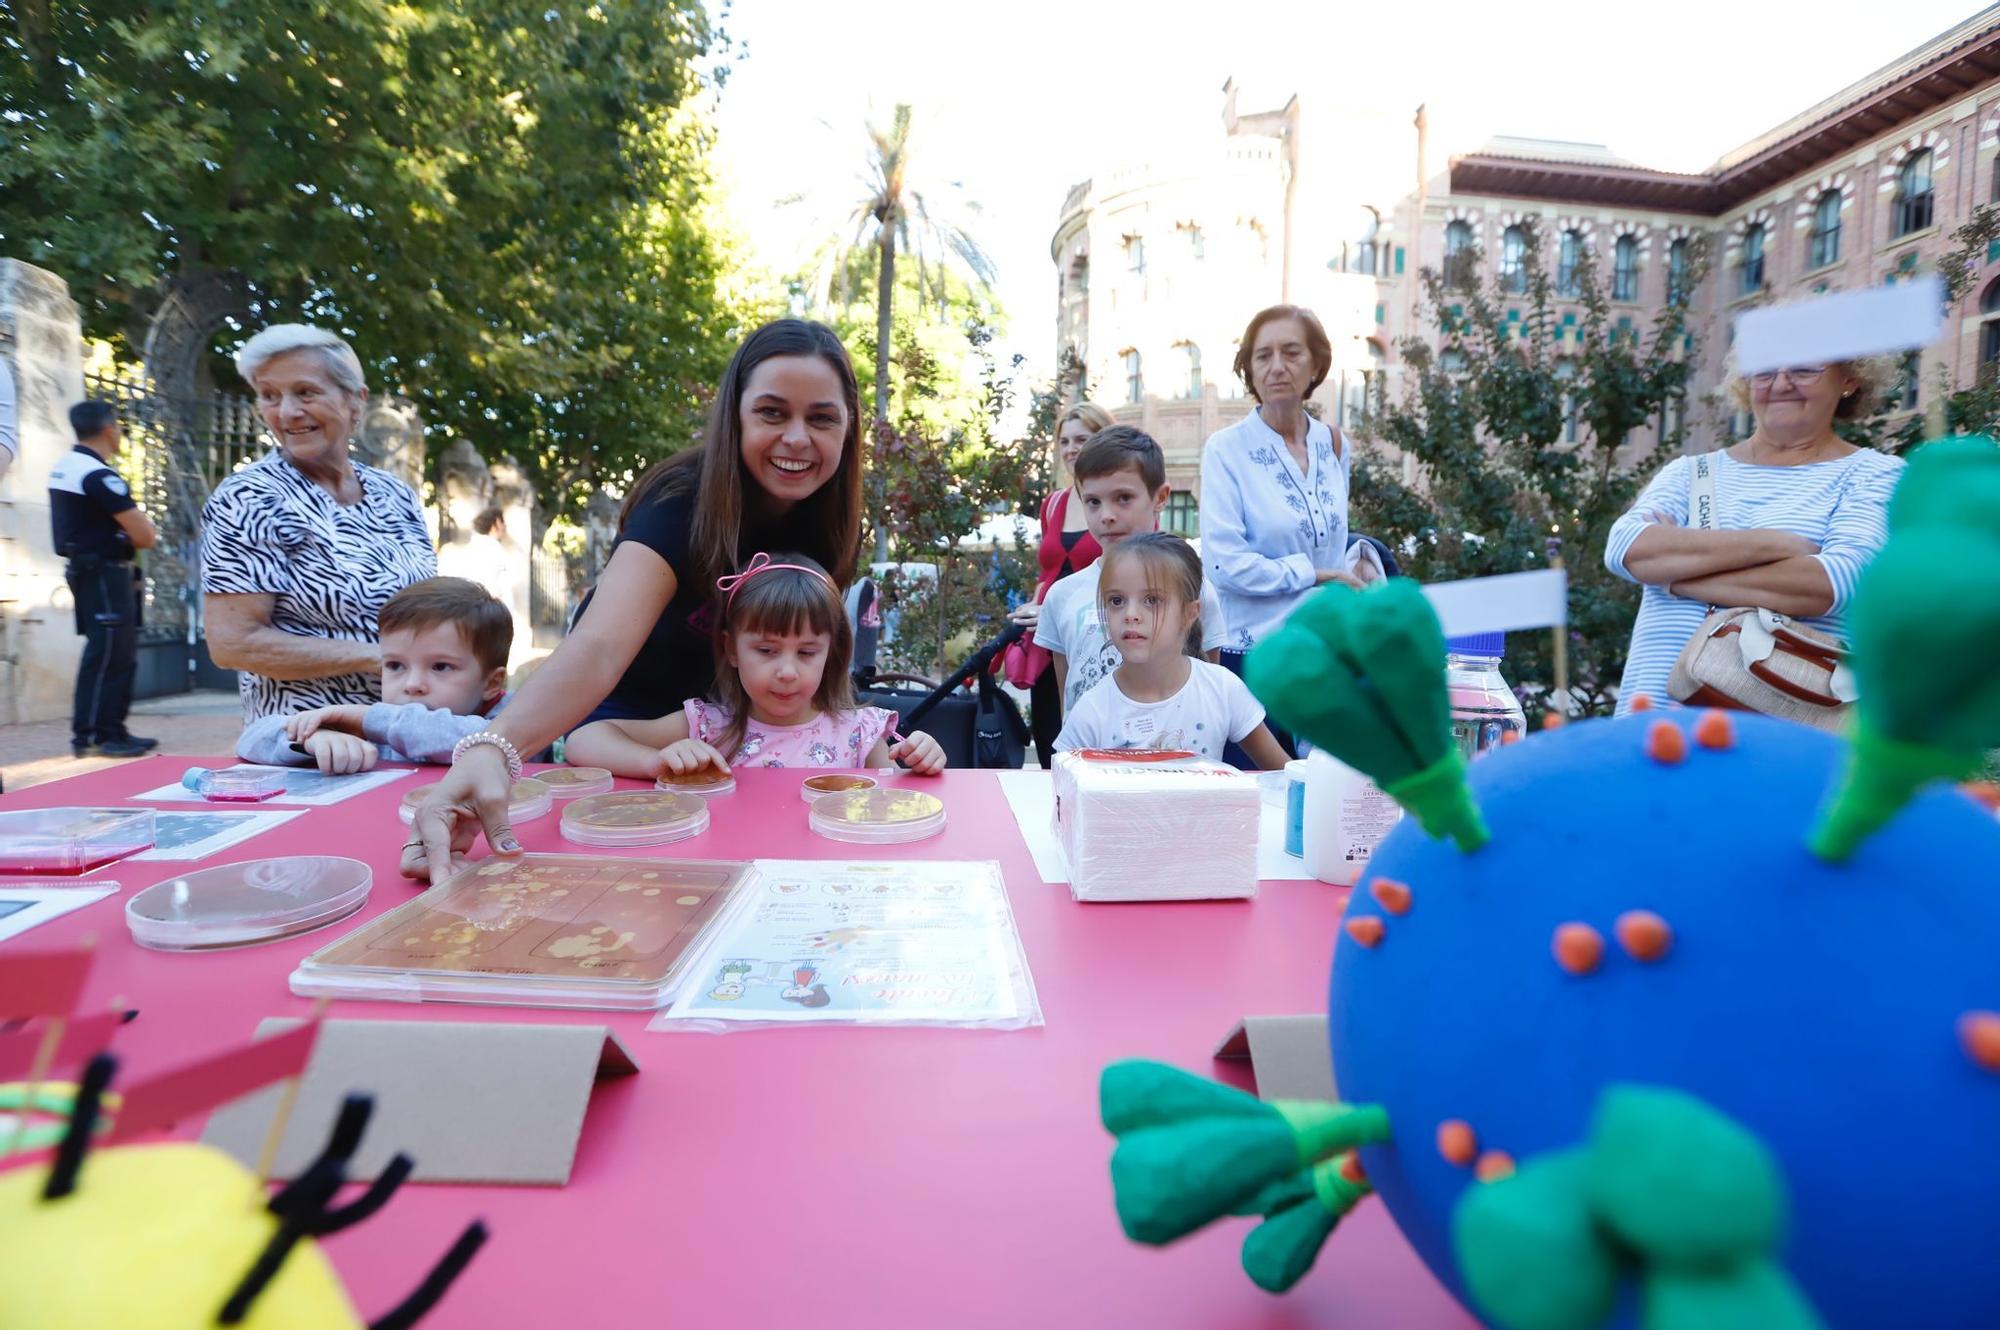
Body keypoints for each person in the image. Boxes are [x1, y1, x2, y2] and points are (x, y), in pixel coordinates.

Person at [404, 319, 863, 880]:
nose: (797, 437)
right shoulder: (679, 505)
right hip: (622, 750)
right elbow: (596, 646)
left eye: (821, 418)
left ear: (848, 428)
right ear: (735, 418)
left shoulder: (829, 525)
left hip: (718, 758)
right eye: (771, 412)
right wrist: (491, 751)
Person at [1605, 358, 1903, 714]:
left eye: (1804, 369)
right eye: (1764, 370)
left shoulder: (1877, 474)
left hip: (1778, 742)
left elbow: (1829, 584)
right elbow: (1627, 549)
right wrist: (1776, 544)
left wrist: (1673, 578)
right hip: (1652, 729)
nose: (1780, 384)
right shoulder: (1690, 472)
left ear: (1851, 380)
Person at [200, 325, 435, 722]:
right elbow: (233, 644)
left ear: (355, 401)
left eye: (305, 392)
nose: (287, 412)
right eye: (269, 396)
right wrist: (385, 660)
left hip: (407, 723)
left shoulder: (393, 492)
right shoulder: (249, 498)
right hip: (307, 738)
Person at [564, 553, 945, 777]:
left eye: (807, 652)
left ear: (831, 652)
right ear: (731, 649)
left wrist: (921, 764)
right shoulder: (708, 727)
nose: (787, 671)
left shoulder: (859, 734)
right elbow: (581, 742)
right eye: (766, 650)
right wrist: (654, 761)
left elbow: (894, 809)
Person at [1198, 307, 1363, 732]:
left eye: (1291, 353)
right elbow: (1224, 566)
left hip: (1324, 655)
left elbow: (1334, 543)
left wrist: (1354, 570)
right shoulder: (1225, 450)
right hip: (1253, 660)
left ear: (1316, 364)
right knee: (1257, 792)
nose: (1276, 368)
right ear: (1249, 369)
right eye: (1262, 356)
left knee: (1324, 790)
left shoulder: (1335, 444)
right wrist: (1316, 574)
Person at [1036, 427, 1229, 716]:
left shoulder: (1194, 588)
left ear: (1160, 497)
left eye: (1123, 497)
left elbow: (1210, 687)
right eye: (1093, 502)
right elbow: (1069, 698)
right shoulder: (1063, 595)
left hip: (1176, 754)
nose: (1107, 515)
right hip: (1090, 757)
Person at [1054, 533, 1289, 768]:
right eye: (1117, 601)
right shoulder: (1093, 710)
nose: (1130, 614)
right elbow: (1061, 793)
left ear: (1190, 613)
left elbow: (1285, 775)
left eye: (1152, 600)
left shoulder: (1223, 689)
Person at [235, 577, 512, 773]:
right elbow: (252, 737)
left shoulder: (516, 721)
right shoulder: (379, 723)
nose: (412, 684)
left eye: (440, 667)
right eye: (395, 666)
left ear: (491, 683)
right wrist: (310, 740)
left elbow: (488, 740)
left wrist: (369, 719)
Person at [48, 400, 158, 758]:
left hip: (89, 569)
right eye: (120, 427)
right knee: (112, 652)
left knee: (106, 650)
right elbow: (145, 535)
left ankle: (106, 730)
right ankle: (100, 734)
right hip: (105, 572)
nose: (122, 433)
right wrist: (127, 537)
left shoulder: (67, 466)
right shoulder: (96, 473)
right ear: (110, 428)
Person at [1010, 401, 1112, 768]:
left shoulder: (1113, 506)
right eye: (1065, 441)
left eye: (1082, 439)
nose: (1071, 449)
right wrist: (1037, 603)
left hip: (1095, 639)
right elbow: (1049, 570)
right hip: (1050, 640)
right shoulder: (1053, 504)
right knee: (1051, 744)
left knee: (1092, 743)